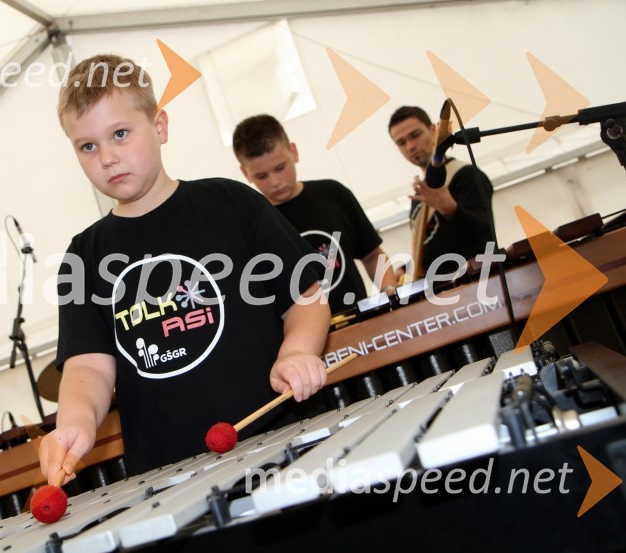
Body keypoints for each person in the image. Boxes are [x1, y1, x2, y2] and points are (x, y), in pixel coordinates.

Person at [39, 54, 332, 480]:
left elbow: (305, 299)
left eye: (120, 134)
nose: (106, 157)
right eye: (87, 146)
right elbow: (88, 367)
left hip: (284, 443)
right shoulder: (83, 257)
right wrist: (75, 424)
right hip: (170, 473)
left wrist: (297, 352)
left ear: (160, 126)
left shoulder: (233, 204)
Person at [233, 114, 399, 314]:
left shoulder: (333, 194)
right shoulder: (248, 225)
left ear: (293, 152)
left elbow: (372, 255)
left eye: (280, 167)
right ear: (245, 174)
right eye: (262, 176)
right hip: (303, 343)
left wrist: (389, 291)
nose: (275, 181)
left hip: (362, 324)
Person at [388, 105, 494, 277]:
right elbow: (433, 245)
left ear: (433, 130)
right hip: (440, 291)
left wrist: (450, 209)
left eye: (415, 135)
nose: (411, 146)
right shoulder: (420, 194)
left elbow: (483, 234)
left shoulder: (466, 175)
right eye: (401, 142)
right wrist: (404, 270)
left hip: (478, 282)